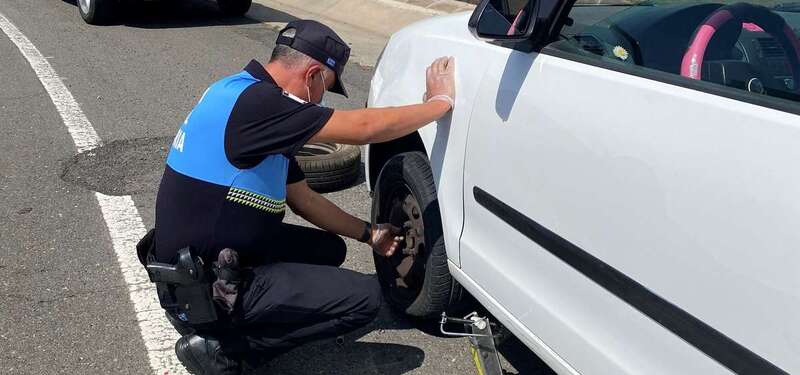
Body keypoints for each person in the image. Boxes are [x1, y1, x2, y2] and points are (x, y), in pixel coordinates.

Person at [152, 19, 455, 374]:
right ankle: (225, 349)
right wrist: (439, 102)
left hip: (198, 265)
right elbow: (364, 128)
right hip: (206, 285)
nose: (321, 99)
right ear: (312, 75)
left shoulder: (239, 93)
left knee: (330, 250)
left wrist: (368, 233)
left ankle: (233, 320)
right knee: (369, 299)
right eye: (325, 87)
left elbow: (304, 199)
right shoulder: (261, 105)